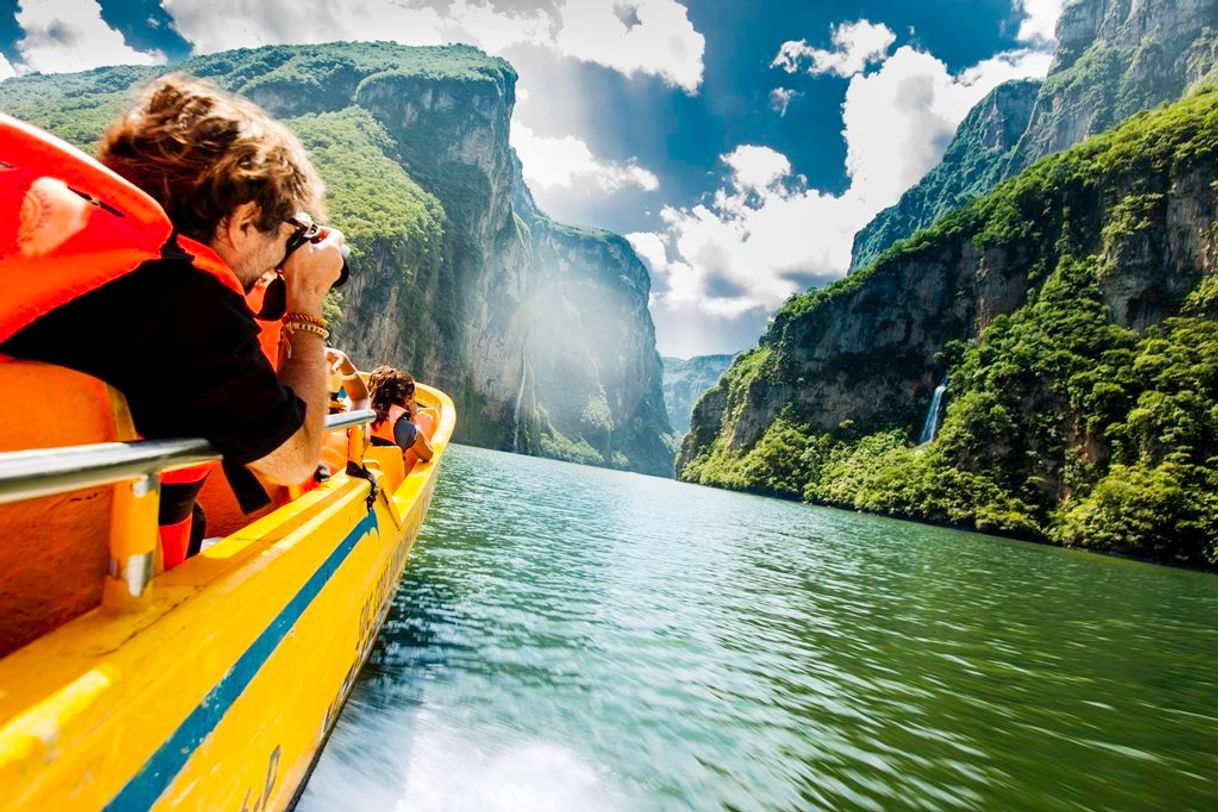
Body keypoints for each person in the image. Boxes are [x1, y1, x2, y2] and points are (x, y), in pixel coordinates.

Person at [0, 74, 345, 560]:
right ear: (244, 221)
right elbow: (294, 460)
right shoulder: (183, 301)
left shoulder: (85, 252)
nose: (285, 255)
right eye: (290, 234)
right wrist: (307, 302)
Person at [368, 366, 433, 463]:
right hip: (386, 475)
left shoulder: (362, 412)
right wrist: (413, 421)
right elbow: (428, 454)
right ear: (408, 398)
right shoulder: (407, 429)